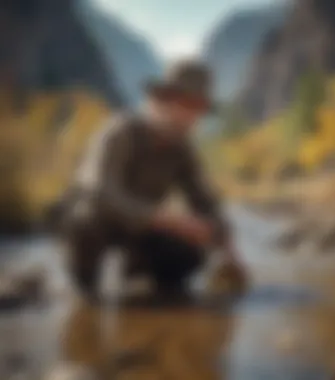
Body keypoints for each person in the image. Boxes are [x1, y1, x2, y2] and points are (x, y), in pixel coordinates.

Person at [60, 60, 246, 300]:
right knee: (82, 217)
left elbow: (205, 202)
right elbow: (100, 191)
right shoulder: (120, 131)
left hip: (142, 233)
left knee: (193, 253)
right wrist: (166, 219)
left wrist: (227, 248)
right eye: (186, 104)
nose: (192, 116)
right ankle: (85, 285)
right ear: (163, 100)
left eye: (199, 107)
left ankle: (142, 281)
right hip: (100, 223)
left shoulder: (182, 150)